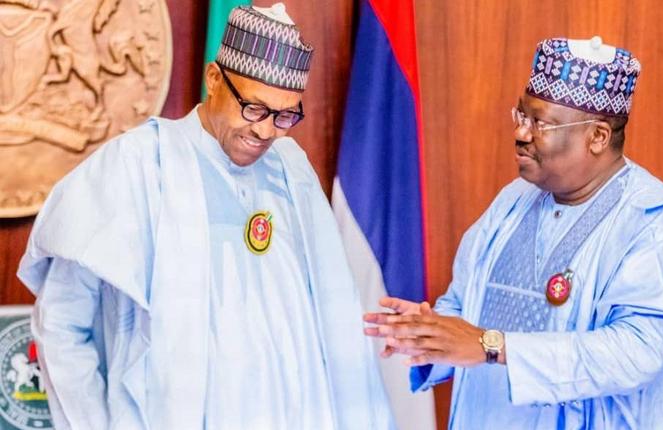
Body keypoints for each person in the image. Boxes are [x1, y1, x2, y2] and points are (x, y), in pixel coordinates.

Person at [364, 36, 663, 429]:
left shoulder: (662, 227)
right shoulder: (514, 201)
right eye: (521, 116)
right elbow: (465, 306)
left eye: (540, 122)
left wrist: (492, 346)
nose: (521, 134)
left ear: (597, 136)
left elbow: (636, 354)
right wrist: (430, 332)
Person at [18, 4, 394, 429]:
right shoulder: (140, 164)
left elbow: (332, 314)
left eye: (285, 115)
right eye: (253, 108)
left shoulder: (291, 168)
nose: (266, 131)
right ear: (214, 79)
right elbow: (62, 324)